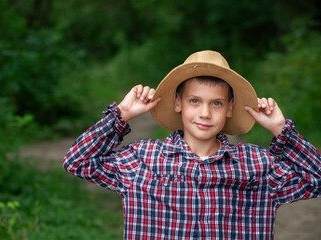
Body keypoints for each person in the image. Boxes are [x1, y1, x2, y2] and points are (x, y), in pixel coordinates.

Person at [63, 50, 321, 239]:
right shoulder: (142, 159)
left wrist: (280, 130)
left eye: (216, 103)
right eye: (195, 101)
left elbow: (316, 179)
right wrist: (121, 114)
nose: (205, 113)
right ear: (178, 103)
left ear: (229, 108)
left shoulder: (257, 165)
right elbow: (77, 161)